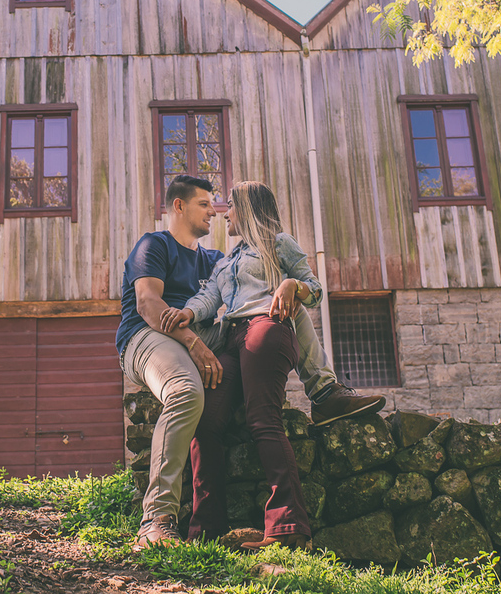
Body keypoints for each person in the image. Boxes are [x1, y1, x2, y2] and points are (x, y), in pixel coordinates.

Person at [117, 175, 383, 549]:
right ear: (179, 206)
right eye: (206, 204)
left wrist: (293, 286)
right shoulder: (159, 245)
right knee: (197, 409)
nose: (217, 211)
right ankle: (180, 522)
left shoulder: (227, 256)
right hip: (153, 334)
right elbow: (166, 302)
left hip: (250, 329)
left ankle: (324, 391)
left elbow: (306, 287)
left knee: (283, 328)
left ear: (248, 211)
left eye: (223, 205)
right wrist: (188, 322)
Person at [162, 181, 330, 549]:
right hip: (232, 339)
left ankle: (288, 529)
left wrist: (290, 286)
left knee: (263, 419)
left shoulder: (278, 242)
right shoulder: (227, 259)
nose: (226, 213)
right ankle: (205, 529)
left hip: (266, 329)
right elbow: (209, 297)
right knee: (206, 422)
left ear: (249, 209)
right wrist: (186, 312)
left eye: (232, 206)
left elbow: (314, 289)